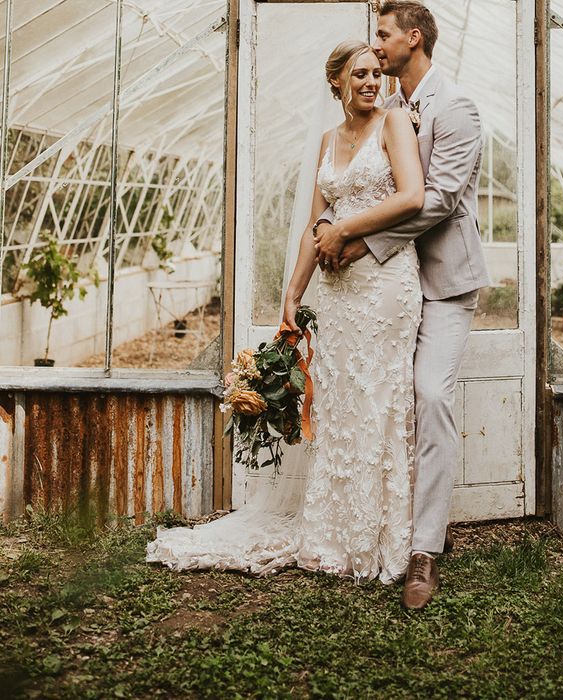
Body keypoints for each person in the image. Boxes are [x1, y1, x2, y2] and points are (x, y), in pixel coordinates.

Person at [146, 40, 425, 585]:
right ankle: (332, 535)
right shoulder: (327, 140)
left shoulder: (393, 126)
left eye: (377, 73)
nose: (373, 82)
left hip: (387, 284)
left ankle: (380, 537)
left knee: (379, 399)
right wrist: (293, 294)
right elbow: (314, 226)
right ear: (338, 83)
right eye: (361, 74)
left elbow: (412, 197)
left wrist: (346, 229)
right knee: (342, 402)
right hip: (339, 292)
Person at [313, 0, 490, 609]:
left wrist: (358, 242)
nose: (376, 46)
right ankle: (375, 526)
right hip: (387, 290)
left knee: (432, 396)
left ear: (413, 39)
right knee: (383, 398)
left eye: (384, 35)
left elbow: (436, 200)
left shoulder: (457, 106)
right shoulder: (386, 109)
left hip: (441, 282)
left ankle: (424, 552)